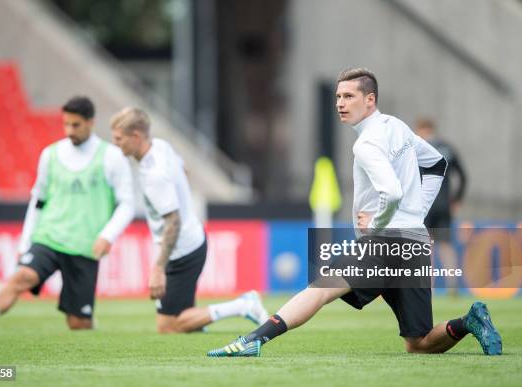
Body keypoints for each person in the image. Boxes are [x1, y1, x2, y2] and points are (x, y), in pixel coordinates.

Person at [207, 68, 501, 357]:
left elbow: (393, 191)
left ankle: (253, 339)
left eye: (349, 96)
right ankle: (468, 322)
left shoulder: (366, 144)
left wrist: (379, 223)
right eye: (338, 97)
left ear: (370, 99)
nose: (340, 103)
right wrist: (416, 213)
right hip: (415, 242)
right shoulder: (397, 126)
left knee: (320, 290)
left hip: (386, 241)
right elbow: (437, 164)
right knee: (419, 342)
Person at [0, 96, 136, 332]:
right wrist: (26, 241)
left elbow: (127, 204)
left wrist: (108, 235)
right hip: (49, 237)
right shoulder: (51, 154)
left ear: (90, 122)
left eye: (76, 125)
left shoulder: (111, 157)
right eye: (66, 124)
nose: (69, 130)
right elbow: (38, 201)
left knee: (78, 323)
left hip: (85, 246)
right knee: (21, 276)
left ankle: (87, 320)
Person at [110, 107, 268, 333]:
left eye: (119, 139)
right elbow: (184, 170)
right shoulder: (161, 147)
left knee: (168, 326)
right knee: (182, 319)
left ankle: (243, 306)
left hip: (182, 250)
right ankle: (197, 324)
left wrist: (158, 269)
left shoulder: (154, 176)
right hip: (192, 238)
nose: (116, 144)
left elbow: (173, 221)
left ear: (135, 136)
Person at [415, 118, 467, 296]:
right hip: (445, 204)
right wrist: (457, 199)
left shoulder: (419, 148)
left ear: (423, 129)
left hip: (426, 204)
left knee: (426, 246)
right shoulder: (448, 148)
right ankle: (453, 284)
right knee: (446, 246)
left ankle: (429, 286)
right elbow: (463, 175)